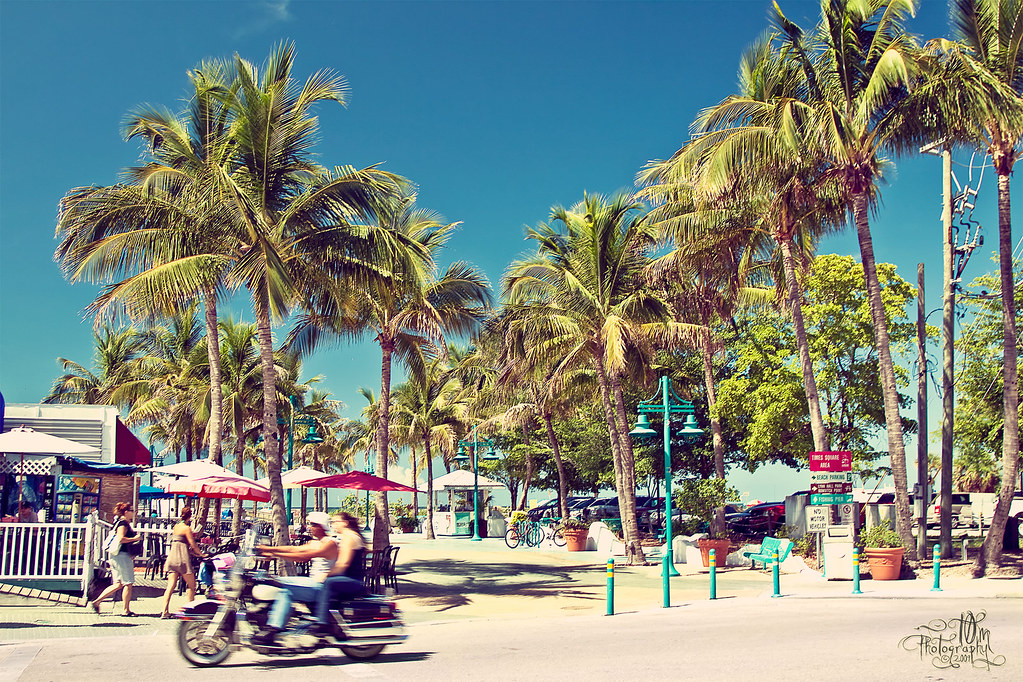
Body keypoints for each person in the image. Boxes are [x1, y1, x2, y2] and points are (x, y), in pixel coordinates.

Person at [253, 511, 339, 645]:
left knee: (283, 587)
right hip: (312, 583)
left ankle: (273, 628)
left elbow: (303, 556)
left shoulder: (330, 543)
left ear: (322, 526)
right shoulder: (316, 542)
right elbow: (294, 549)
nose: (310, 527)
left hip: (320, 586)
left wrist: (272, 551)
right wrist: (270, 551)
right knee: (273, 582)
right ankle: (269, 620)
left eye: (313, 524)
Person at [314, 511, 367, 631]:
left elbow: (343, 564)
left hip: (353, 580)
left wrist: (325, 575)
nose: (333, 525)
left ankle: (322, 623)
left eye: (336, 522)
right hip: (350, 578)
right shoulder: (349, 537)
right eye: (332, 522)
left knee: (328, 582)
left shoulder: (350, 538)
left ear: (345, 523)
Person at [89, 502, 142, 616]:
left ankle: (97, 602)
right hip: (122, 556)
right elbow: (121, 538)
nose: (134, 513)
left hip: (116, 556)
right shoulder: (123, 523)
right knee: (128, 583)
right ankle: (126, 610)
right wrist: (135, 539)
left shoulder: (118, 522)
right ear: (126, 512)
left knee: (118, 583)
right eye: (132, 511)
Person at [159, 507, 205, 618]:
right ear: (190, 516)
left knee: (170, 586)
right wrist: (201, 554)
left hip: (172, 557)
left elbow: (181, 542)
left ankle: (164, 611)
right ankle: (191, 609)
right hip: (182, 559)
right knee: (192, 585)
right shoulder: (186, 528)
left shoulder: (176, 526)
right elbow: (193, 544)